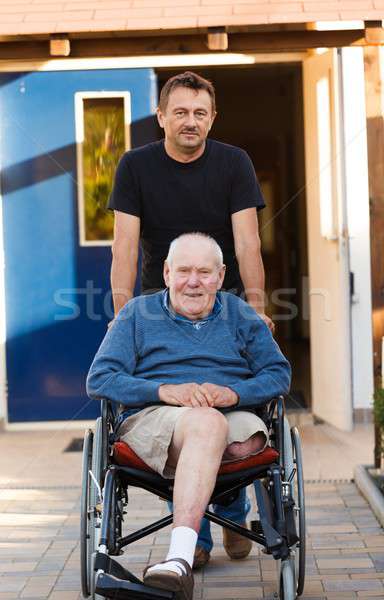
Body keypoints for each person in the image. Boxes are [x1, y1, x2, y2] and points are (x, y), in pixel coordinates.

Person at [108, 70, 273, 566]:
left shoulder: (233, 163)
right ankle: (198, 537)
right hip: (163, 299)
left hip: (223, 301)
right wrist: (122, 318)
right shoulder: (135, 166)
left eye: (200, 113)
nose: (190, 121)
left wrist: (260, 309)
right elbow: (125, 246)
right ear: (161, 116)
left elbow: (247, 241)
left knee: (221, 397)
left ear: (212, 118)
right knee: (181, 414)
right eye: (180, 111)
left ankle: (232, 505)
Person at [87, 233, 290, 599]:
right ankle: (181, 557)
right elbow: (99, 378)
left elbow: (278, 373)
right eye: (183, 271)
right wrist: (163, 390)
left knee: (247, 441)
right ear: (166, 273)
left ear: (221, 275)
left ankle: (224, 509)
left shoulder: (240, 314)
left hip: (232, 411)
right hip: (155, 417)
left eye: (204, 272)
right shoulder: (136, 314)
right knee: (207, 422)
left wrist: (235, 393)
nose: (193, 281)